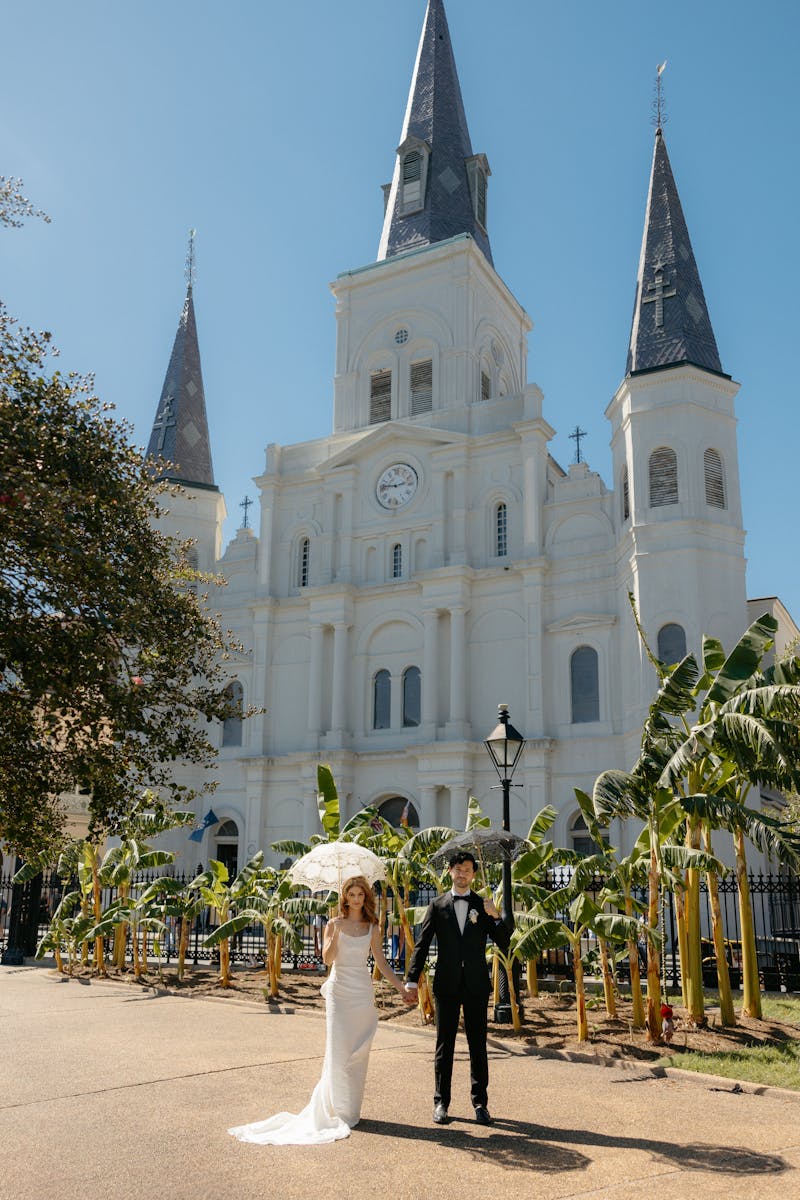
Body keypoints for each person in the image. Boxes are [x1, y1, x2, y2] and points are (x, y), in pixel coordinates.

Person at [228, 874, 414, 1146]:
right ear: (345, 898)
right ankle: (336, 1110)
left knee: (359, 1052)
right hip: (339, 991)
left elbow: (381, 963)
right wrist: (334, 935)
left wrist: (401, 988)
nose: (356, 899)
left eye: (360, 895)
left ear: (366, 897)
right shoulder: (332, 923)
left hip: (362, 992)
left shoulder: (373, 926)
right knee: (338, 1050)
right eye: (351, 895)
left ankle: (351, 1111)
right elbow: (327, 959)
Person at [404, 850, 510, 1127]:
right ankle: (441, 1102)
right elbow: (422, 944)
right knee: (444, 1045)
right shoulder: (438, 906)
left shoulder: (482, 905)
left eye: (467, 870)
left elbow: (504, 942)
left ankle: (480, 1103)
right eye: (458, 869)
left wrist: (496, 916)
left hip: (476, 985)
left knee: (478, 1046)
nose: (462, 874)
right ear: (450, 871)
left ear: (473, 874)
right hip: (446, 984)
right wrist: (412, 980)